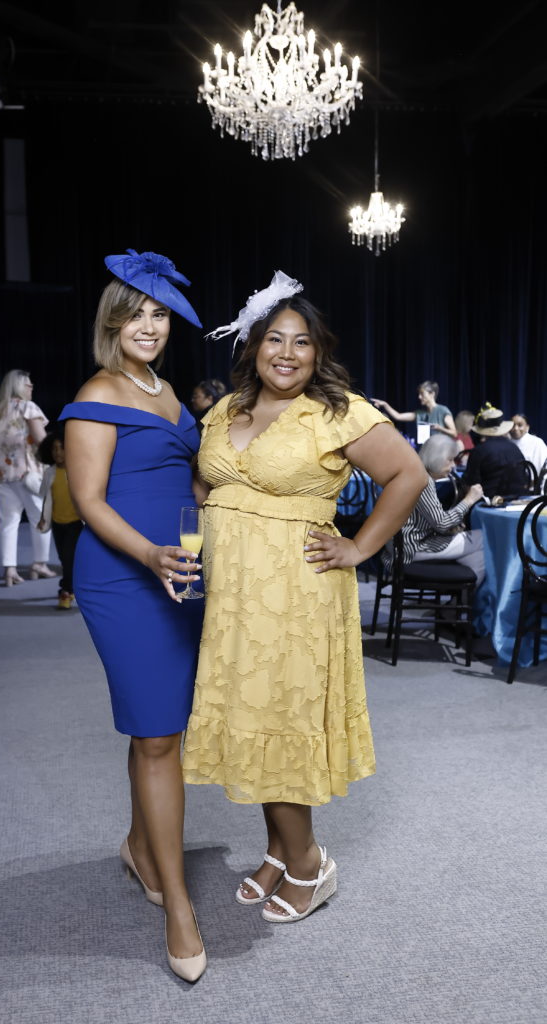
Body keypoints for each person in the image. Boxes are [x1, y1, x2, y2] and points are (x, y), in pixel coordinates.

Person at [181, 270, 427, 925]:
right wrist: (194, 544)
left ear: (317, 352)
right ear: (252, 345)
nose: (286, 353)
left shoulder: (336, 410)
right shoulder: (223, 411)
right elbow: (205, 490)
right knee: (255, 722)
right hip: (233, 598)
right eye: (273, 340)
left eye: (301, 342)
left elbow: (408, 473)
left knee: (281, 727)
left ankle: (311, 863)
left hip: (296, 595)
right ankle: (278, 854)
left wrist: (359, 546)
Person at [59, 249, 207, 982]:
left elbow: (190, 480)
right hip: (125, 577)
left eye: (160, 314)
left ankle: (139, 846)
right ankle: (178, 902)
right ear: (111, 323)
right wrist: (151, 555)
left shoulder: (168, 389)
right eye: (136, 314)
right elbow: (88, 503)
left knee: (162, 727)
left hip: (182, 570)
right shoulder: (98, 390)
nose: (149, 326)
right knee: (156, 733)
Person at [0, 369, 56, 586]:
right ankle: (39, 564)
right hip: (27, 473)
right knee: (40, 519)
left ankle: (9, 570)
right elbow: (43, 441)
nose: (32, 388)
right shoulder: (27, 407)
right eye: (28, 385)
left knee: (7, 522)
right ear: (17, 387)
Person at [382, 434, 486, 584]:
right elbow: (442, 523)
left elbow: (428, 520)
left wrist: (449, 528)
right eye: (449, 460)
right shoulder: (422, 481)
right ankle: (466, 598)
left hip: (397, 546)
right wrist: (469, 500)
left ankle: (462, 598)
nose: (453, 466)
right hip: (411, 548)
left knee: (478, 555)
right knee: (483, 538)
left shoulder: (412, 472)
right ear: (436, 458)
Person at [36, 427, 83, 610]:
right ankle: (72, 586)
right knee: (65, 559)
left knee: (70, 558)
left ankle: (66, 590)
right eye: (54, 449)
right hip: (57, 523)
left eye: (62, 448)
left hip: (76, 523)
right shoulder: (49, 473)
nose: (58, 452)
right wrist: (42, 518)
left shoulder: (78, 470)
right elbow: (47, 498)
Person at [463, 404, 526, 499]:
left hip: (487, 504)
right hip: (518, 502)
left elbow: (470, 485)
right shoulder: (515, 448)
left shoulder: (479, 451)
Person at [372, 381, 457, 440]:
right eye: (419, 394)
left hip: (440, 451)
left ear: (432, 394)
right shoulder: (420, 413)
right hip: (425, 450)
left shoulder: (442, 411)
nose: (419, 397)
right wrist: (385, 404)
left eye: (422, 394)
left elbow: (454, 433)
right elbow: (398, 416)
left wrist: (439, 428)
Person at [510, 412, 547, 479]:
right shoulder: (506, 442)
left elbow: (543, 468)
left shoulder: (537, 443)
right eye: (513, 425)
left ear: (527, 427)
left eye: (520, 425)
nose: (515, 428)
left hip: (533, 485)